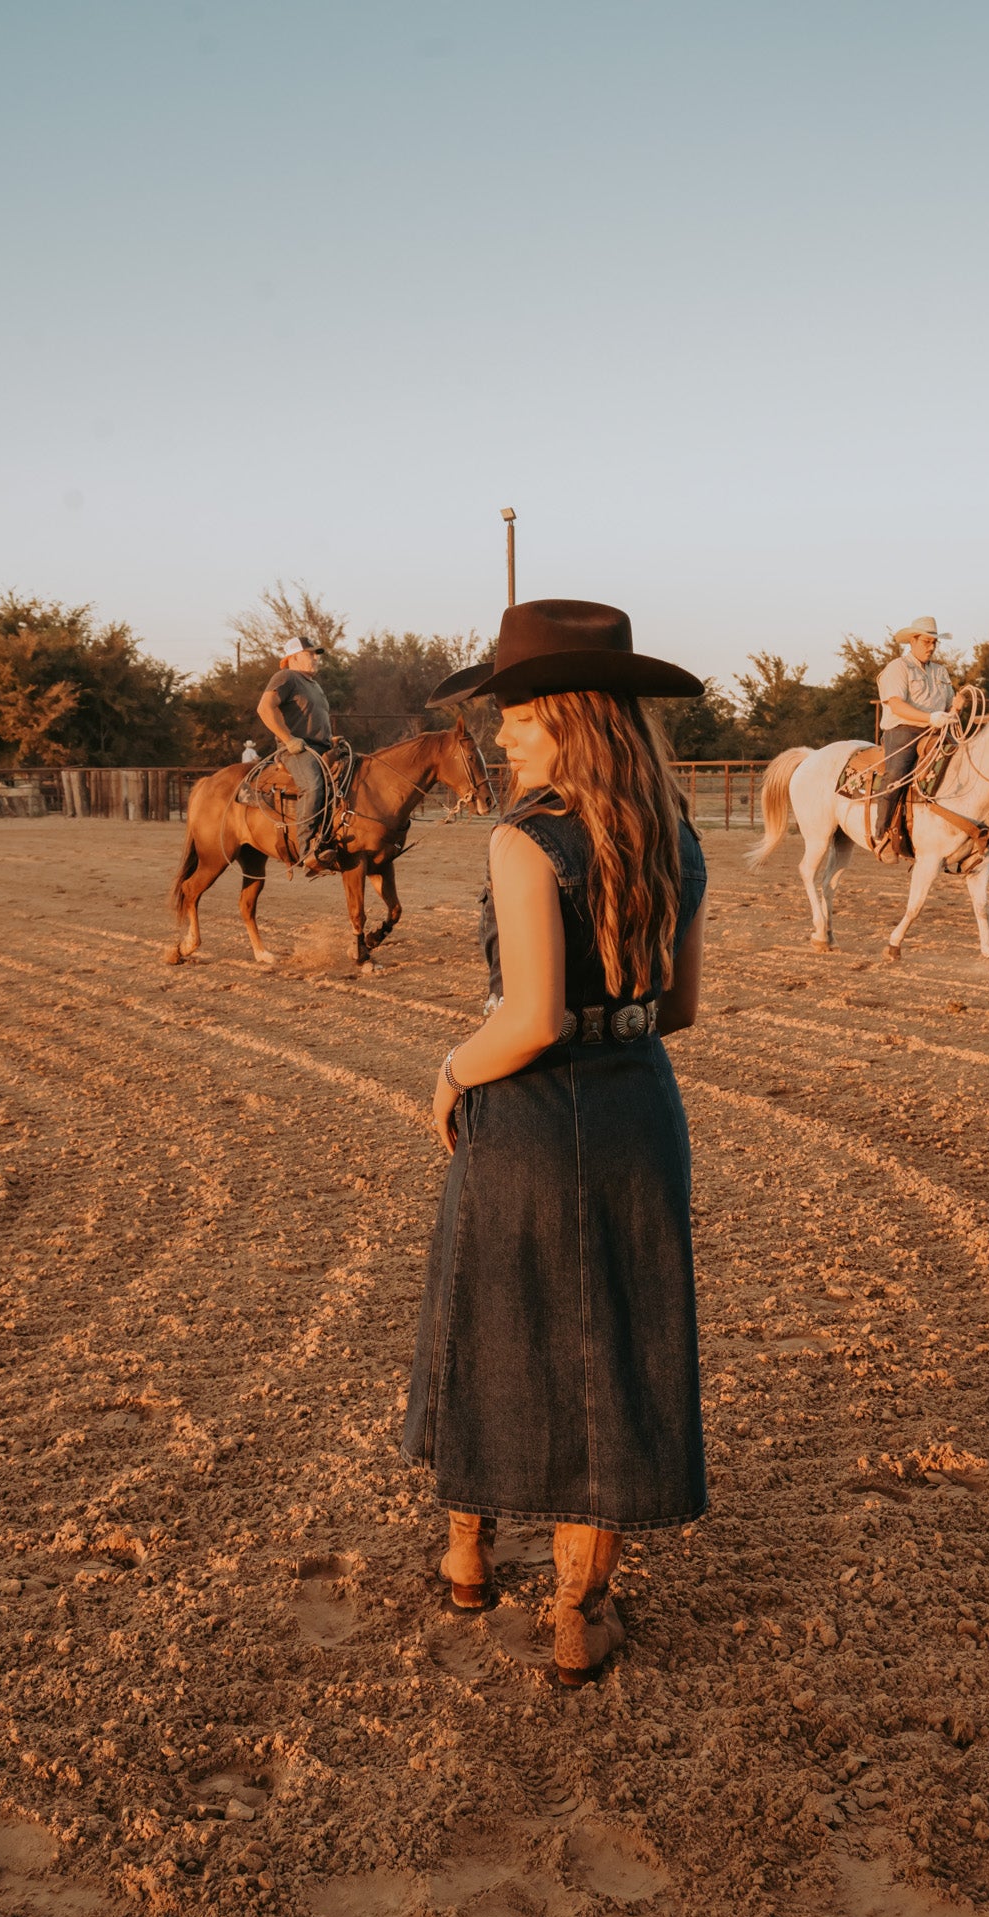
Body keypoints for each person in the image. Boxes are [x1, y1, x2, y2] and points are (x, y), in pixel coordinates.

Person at [402, 599, 709, 1687]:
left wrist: (449, 1067)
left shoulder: (523, 837)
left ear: (568, 717)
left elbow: (526, 1020)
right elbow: (678, 1008)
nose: (500, 733)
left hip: (529, 1118)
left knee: (491, 1313)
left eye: (517, 712)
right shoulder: (674, 831)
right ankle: (580, 1610)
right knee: (617, 1345)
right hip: (637, 1111)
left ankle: (468, 1555)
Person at [874, 615, 962, 857]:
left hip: (937, 732)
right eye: (926, 642)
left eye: (934, 642)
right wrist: (928, 718)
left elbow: (947, 708)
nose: (931, 647)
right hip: (904, 731)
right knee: (896, 775)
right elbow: (896, 705)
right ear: (912, 641)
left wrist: (956, 708)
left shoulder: (941, 671)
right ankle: (881, 835)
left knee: (963, 764)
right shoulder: (898, 668)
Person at [255, 636, 334, 873]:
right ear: (294, 657)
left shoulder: (314, 685)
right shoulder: (286, 677)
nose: (315, 658)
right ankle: (307, 848)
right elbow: (264, 707)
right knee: (313, 785)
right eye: (310, 654)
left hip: (321, 747)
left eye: (315, 654)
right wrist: (288, 740)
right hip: (299, 750)